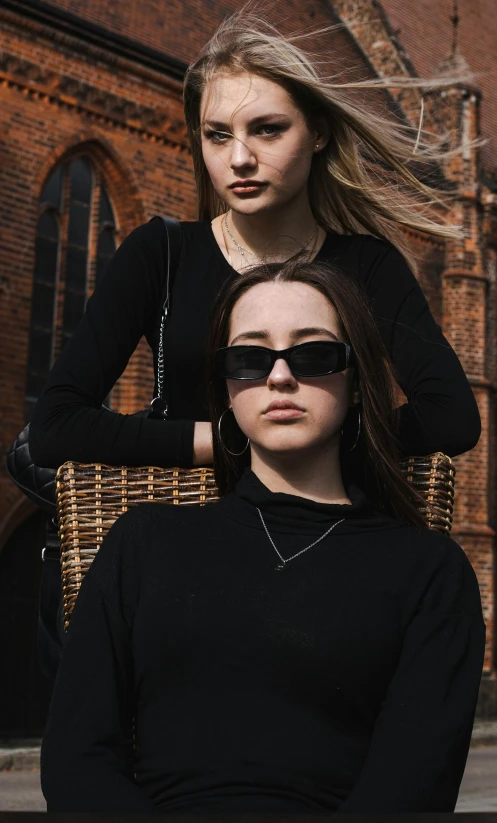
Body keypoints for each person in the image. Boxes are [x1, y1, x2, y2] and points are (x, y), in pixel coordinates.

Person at [41, 260, 485, 814]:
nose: (279, 377)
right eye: (249, 358)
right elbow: (75, 761)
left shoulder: (430, 573)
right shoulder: (143, 543)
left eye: (314, 354)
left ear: (356, 379)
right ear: (226, 388)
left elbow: (411, 790)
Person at [30, 12, 480, 478]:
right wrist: (234, 440)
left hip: (328, 530)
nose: (239, 159)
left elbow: (451, 417)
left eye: (268, 129)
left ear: (318, 133)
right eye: (218, 135)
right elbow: (54, 427)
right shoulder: (161, 255)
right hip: (191, 532)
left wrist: (308, 441)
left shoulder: (368, 266)